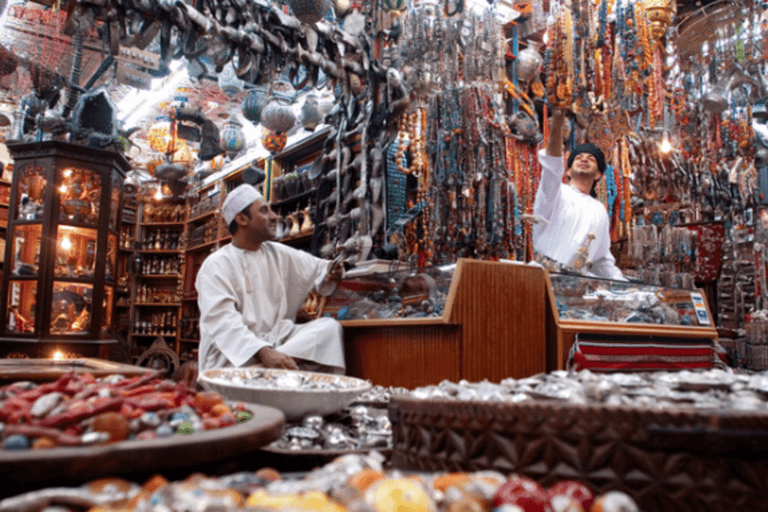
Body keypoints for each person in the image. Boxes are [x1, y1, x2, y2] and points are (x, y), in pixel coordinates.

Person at [196, 184, 346, 375]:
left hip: (276, 340)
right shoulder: (216, 265)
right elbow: (222, 321)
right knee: (240, 358)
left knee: (329, 329)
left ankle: (259, 373)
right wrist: (263, 352)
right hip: (234, 353)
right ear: (241, 219)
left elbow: (319, 268)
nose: (275, 217)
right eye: (264, 210)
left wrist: (332, 270)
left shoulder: (276, 253)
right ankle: (257, 372)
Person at [532, 109, 625, 280]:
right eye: (578, 157)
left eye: (591, 158)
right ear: (567, 171)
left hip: (576, 287)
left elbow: (601, 260)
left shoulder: (599, 210)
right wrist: (558, 124)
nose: (584, 159)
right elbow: (551, 166)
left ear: (598, 175)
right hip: (541, 278)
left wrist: (627, 287)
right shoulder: (556, 192)